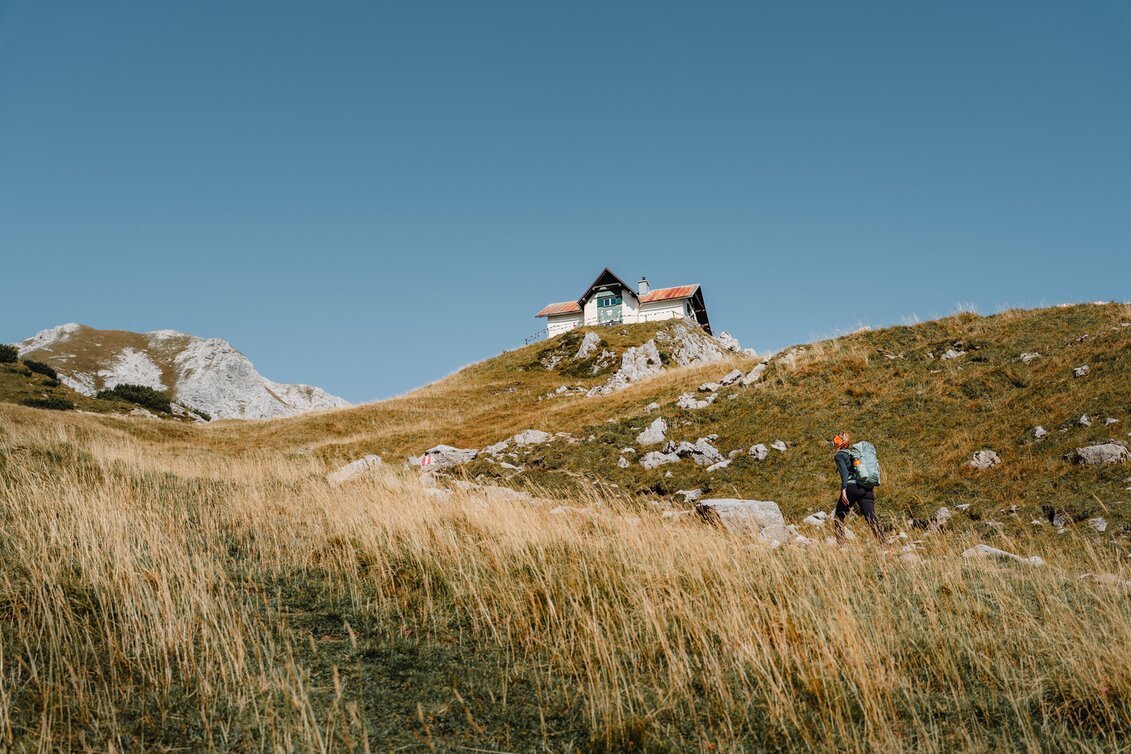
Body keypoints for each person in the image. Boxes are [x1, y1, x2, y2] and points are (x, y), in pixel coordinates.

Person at [832, 432, 882, 541]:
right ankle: (884, 544)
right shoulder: (854, 455)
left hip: (852, 488)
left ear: (839, 443)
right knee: (871, 517)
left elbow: (844, 473)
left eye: (835, 441)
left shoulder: (839, 455)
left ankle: (841, 545)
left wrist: (844, 490)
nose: (833, 443)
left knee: (838, 516)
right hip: (866, 488)